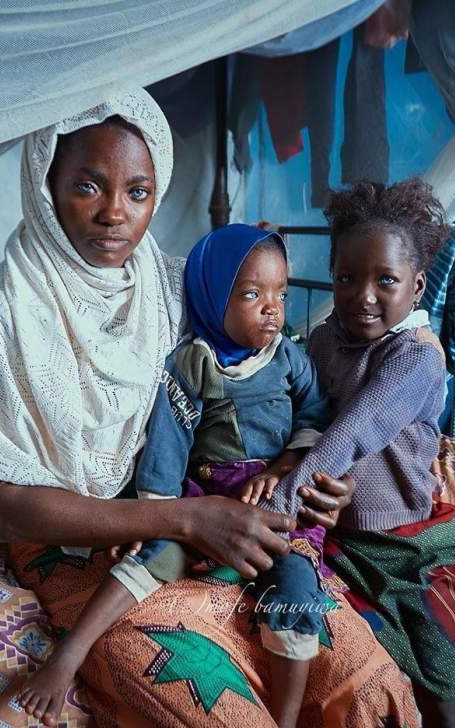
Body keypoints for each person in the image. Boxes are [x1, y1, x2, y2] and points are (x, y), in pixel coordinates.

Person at [0, 89, 419, 728]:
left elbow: (265, 386)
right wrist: (186, 519)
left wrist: (314, 473)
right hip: (76, 542)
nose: (113, 215)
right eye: (86, 187)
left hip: (220, 516)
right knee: (215, 709)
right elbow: (1, 508)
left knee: (369, 684)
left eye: (137, 192)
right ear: (46, 185)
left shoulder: (175, 288)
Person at [17, 223, 336, 727]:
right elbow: (167, 449)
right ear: (211, 297)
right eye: (252, 294)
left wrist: (284, 467)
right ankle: (69, 655)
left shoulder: (289, 356)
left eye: (281, 293)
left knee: (297, 585)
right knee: (153, 555)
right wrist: (153, 519)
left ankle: (286, 718)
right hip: (206, 498)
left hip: (274, 500)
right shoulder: (190, 363)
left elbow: (316, 415)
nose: (272, 307)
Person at [277, 178, 455, 728]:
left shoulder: (416, 356)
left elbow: (356, 431)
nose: (364, 295)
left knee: (434, 651)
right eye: (346, 277)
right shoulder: (324, 338)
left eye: (385, 280)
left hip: (398, 533)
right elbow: (309, 419)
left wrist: (280, 503)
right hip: (333, 524)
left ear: (417, 286)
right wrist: (280, 463)